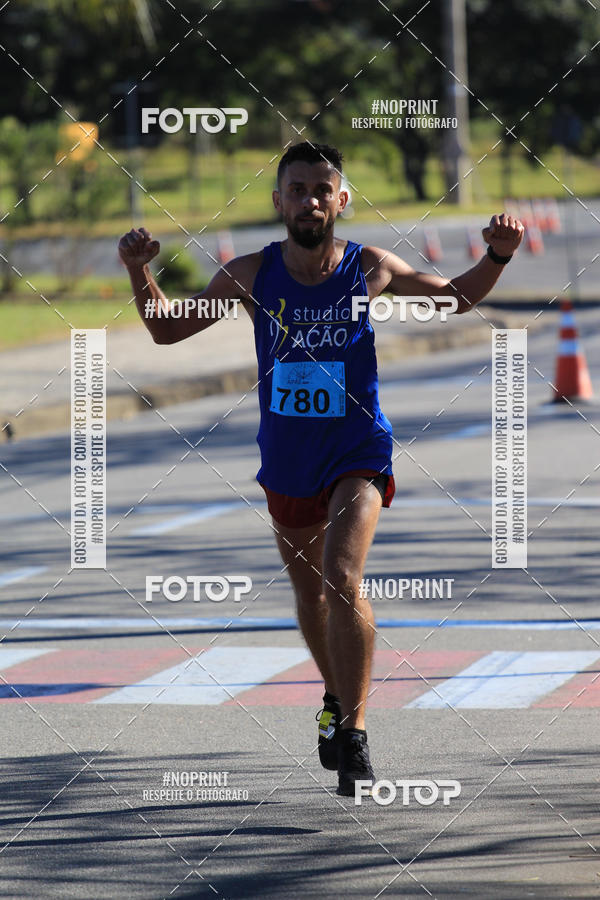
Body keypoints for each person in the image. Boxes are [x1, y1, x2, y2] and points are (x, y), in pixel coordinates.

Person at [118, 141, 524, 796]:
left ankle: (355, 732)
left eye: (321, 190)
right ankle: (336, 695)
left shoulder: (370, 267)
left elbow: (452, 299)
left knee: (341, 577)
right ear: (279, 202)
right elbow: (167, 329)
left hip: (357, 450)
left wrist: (497, 257)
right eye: (297, 189)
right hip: (287, 459)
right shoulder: (250, 273)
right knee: (309, 594)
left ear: (342, 200)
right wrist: (140, 270)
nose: (309, 200)